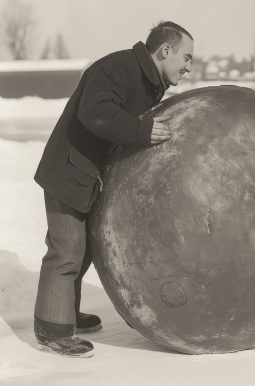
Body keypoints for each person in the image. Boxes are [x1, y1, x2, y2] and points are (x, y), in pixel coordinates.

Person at [33, 21, 194, 358]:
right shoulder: (119, 68)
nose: (189, 67)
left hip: (89, 174)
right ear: (165, 50)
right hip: (68, 170)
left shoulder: (149, 80)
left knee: (85, 249)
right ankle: (52, 330)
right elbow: (94, 112)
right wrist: (140, 130)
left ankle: (66, 313)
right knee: (66, 250)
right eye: (186, 57)